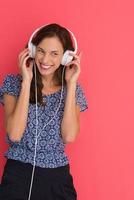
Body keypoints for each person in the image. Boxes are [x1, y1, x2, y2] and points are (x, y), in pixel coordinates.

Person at [0, 23, 88, 200]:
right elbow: (15, 134)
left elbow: (69, 136)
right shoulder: (12, 83)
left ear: (65, 57)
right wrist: (26, 81)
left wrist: (71, 85)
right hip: (18, 175)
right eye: (40, 51)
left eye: (54, 54)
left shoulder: (73, 90)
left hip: (57, 179)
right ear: (32, 51)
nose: (45, 59)